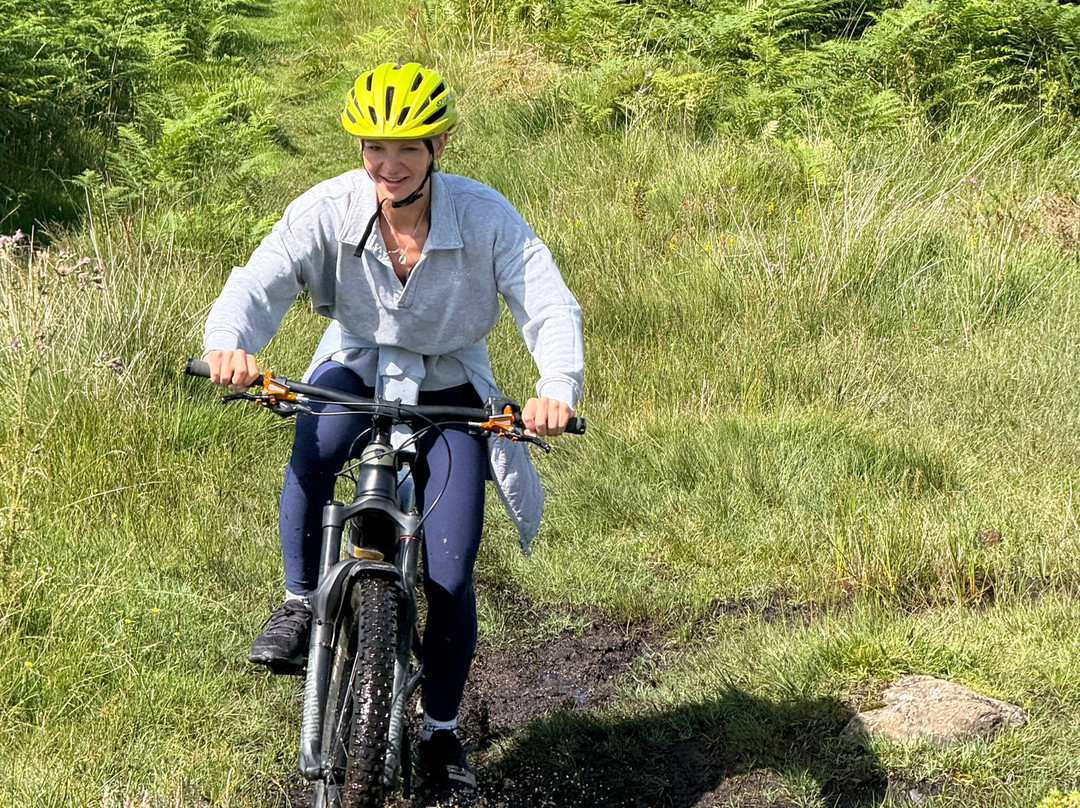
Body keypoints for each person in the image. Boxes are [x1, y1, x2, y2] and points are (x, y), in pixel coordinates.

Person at [201, 62, 584, 791]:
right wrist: (231, 342)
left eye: (408, 146)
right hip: (356, 358)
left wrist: (554, 389)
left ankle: (441, 739)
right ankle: (297, 602)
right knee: (315, 445)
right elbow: (262, 278)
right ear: (359, 148)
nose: (390, 163)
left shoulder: (483, 215)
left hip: (450, 383)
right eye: (375, 146)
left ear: (440, 144)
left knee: (450, 569)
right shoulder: (329, 207)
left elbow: (547, 300)